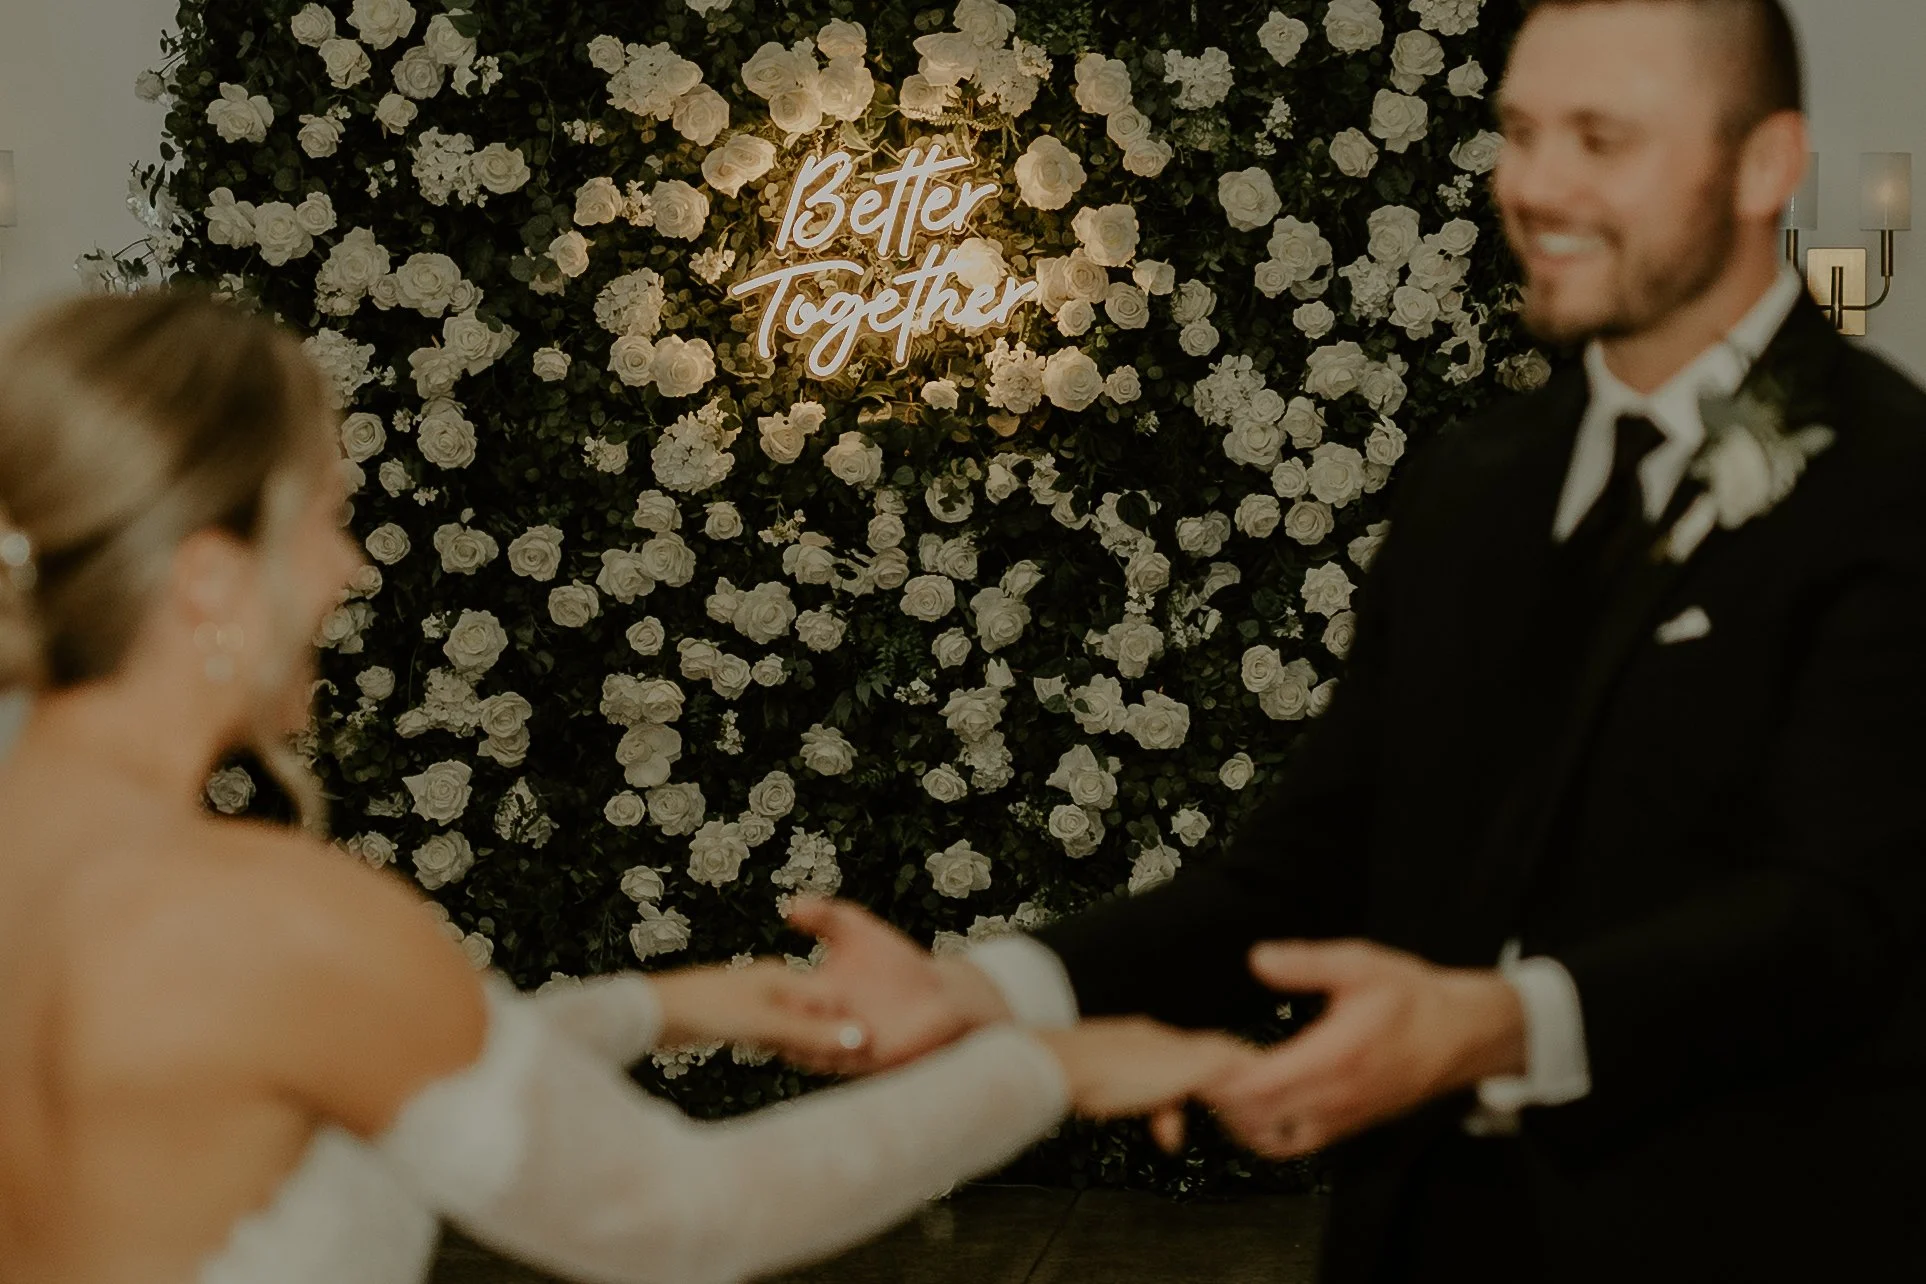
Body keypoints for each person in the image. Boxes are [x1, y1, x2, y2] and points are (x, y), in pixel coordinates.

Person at [779, 1, 1926, 1280]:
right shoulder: (1474, 481)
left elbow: (1844, 922)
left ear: (1766, 165)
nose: (1535, 188)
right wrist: (999, 993)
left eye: (1601, 141)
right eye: (1523, 132)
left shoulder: (1892, 480)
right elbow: (1303, 866)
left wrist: (1497, 1025)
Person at [0, 289, 1259, 1284]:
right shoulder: (277, 922)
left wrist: (666, 1008)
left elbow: (333, 1067)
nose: (348, 571)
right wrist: (1054, 1071)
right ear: (212, 581)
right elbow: (684, 1216)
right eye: (327, 517)